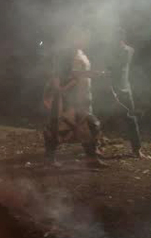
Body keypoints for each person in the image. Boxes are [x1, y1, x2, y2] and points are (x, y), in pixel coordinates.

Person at [43, 28, 107, 167]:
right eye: (82, 37)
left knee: (89, 126)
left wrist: (91, 74)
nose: (86, 40)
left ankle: (91, 159)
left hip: (82, 97)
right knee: (59, 127)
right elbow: (61, 74)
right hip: (67, 98)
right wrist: (88, 74)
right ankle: (50, 159)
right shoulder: (65, 53)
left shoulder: (81, 53)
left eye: (86, 38)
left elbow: (79, 72)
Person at [106, 27, 148, 159]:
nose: (115, 40)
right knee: (101, 119)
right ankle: (94, 148)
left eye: (117, 37)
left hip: (124, 89)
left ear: (122, 38)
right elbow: (109, 69)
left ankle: (137, 150)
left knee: (131, 119)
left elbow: (118, 66)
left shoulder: (128, 51)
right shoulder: (111, 51)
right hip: (111, 90)